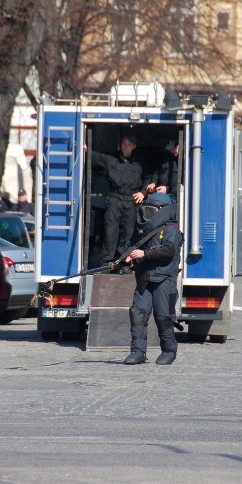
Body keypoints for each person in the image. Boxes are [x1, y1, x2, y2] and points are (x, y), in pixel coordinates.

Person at [123, 192, 183, 365]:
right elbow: (132, 245)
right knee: (137, 313)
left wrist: (145, 253)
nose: (147, 214)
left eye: (151, 211)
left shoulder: (171, 229)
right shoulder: (142, 230)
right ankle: (138, 351)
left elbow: (168, 250)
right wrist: (128, 257)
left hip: (163, 278)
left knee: (163, 315)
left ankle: (169, 350)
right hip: (144, 277)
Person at [90, 133, 146, 267]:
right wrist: (84, 148)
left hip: (131, 201)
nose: (125, 147)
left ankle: (124, 264)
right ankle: (106, 265)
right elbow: (95, 157)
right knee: (110, 234)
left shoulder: (140, 162)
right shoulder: (111, 159)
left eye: (128, 145)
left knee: (128, 236)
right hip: (114, 200)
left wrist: (143, 192)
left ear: (134, 146)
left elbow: (150, 175)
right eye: (123, 144)